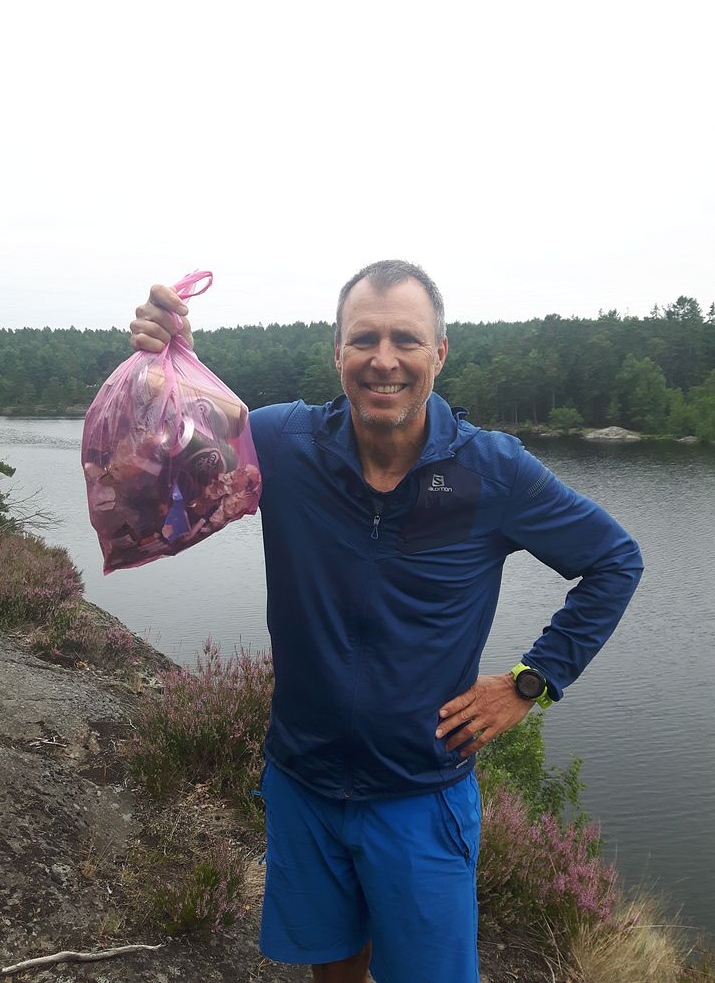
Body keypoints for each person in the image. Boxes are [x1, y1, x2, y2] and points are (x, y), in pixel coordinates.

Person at [130, 260, 643, 983]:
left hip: (420, 796)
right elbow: (165, 468)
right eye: (363, 338)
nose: (383, 359)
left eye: (406, 338)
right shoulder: (281, 445)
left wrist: (532, 680)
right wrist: (164, 363)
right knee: (332, 970)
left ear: (439, 353)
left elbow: (615, 561)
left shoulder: (491, 471)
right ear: (337, 352)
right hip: (302, 782)